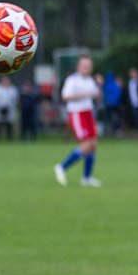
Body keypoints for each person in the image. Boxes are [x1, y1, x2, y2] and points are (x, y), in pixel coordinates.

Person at [54, 55, 103, 187]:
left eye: (89, 66)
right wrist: (83, 95)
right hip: (77, 113)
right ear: (78, 67)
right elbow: (65, 97)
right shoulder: (73, 80)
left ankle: (86, 178)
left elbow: (96, 97)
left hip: (88, 113)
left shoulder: (90, 81)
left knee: (93, 145)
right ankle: (62, 167)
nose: (86, 69)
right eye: (84, 66)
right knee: (86, 144)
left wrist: (99, 87)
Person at [0, 75, 19, 141]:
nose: (6, 82)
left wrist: (12, 107)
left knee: (9, 124)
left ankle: (9, 138)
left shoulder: (12, 89)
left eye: (7, 81)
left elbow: (15, 99)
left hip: (9, 109)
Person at [102, 72, 124, 136]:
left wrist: (108, 101)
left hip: (108, 105)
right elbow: (119, 94)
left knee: (109, 118)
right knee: (117, 118)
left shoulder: (106, 85)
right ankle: (117, 131)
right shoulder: (116, 85)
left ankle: (109, 131)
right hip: (116, 105)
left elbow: (105, 95)